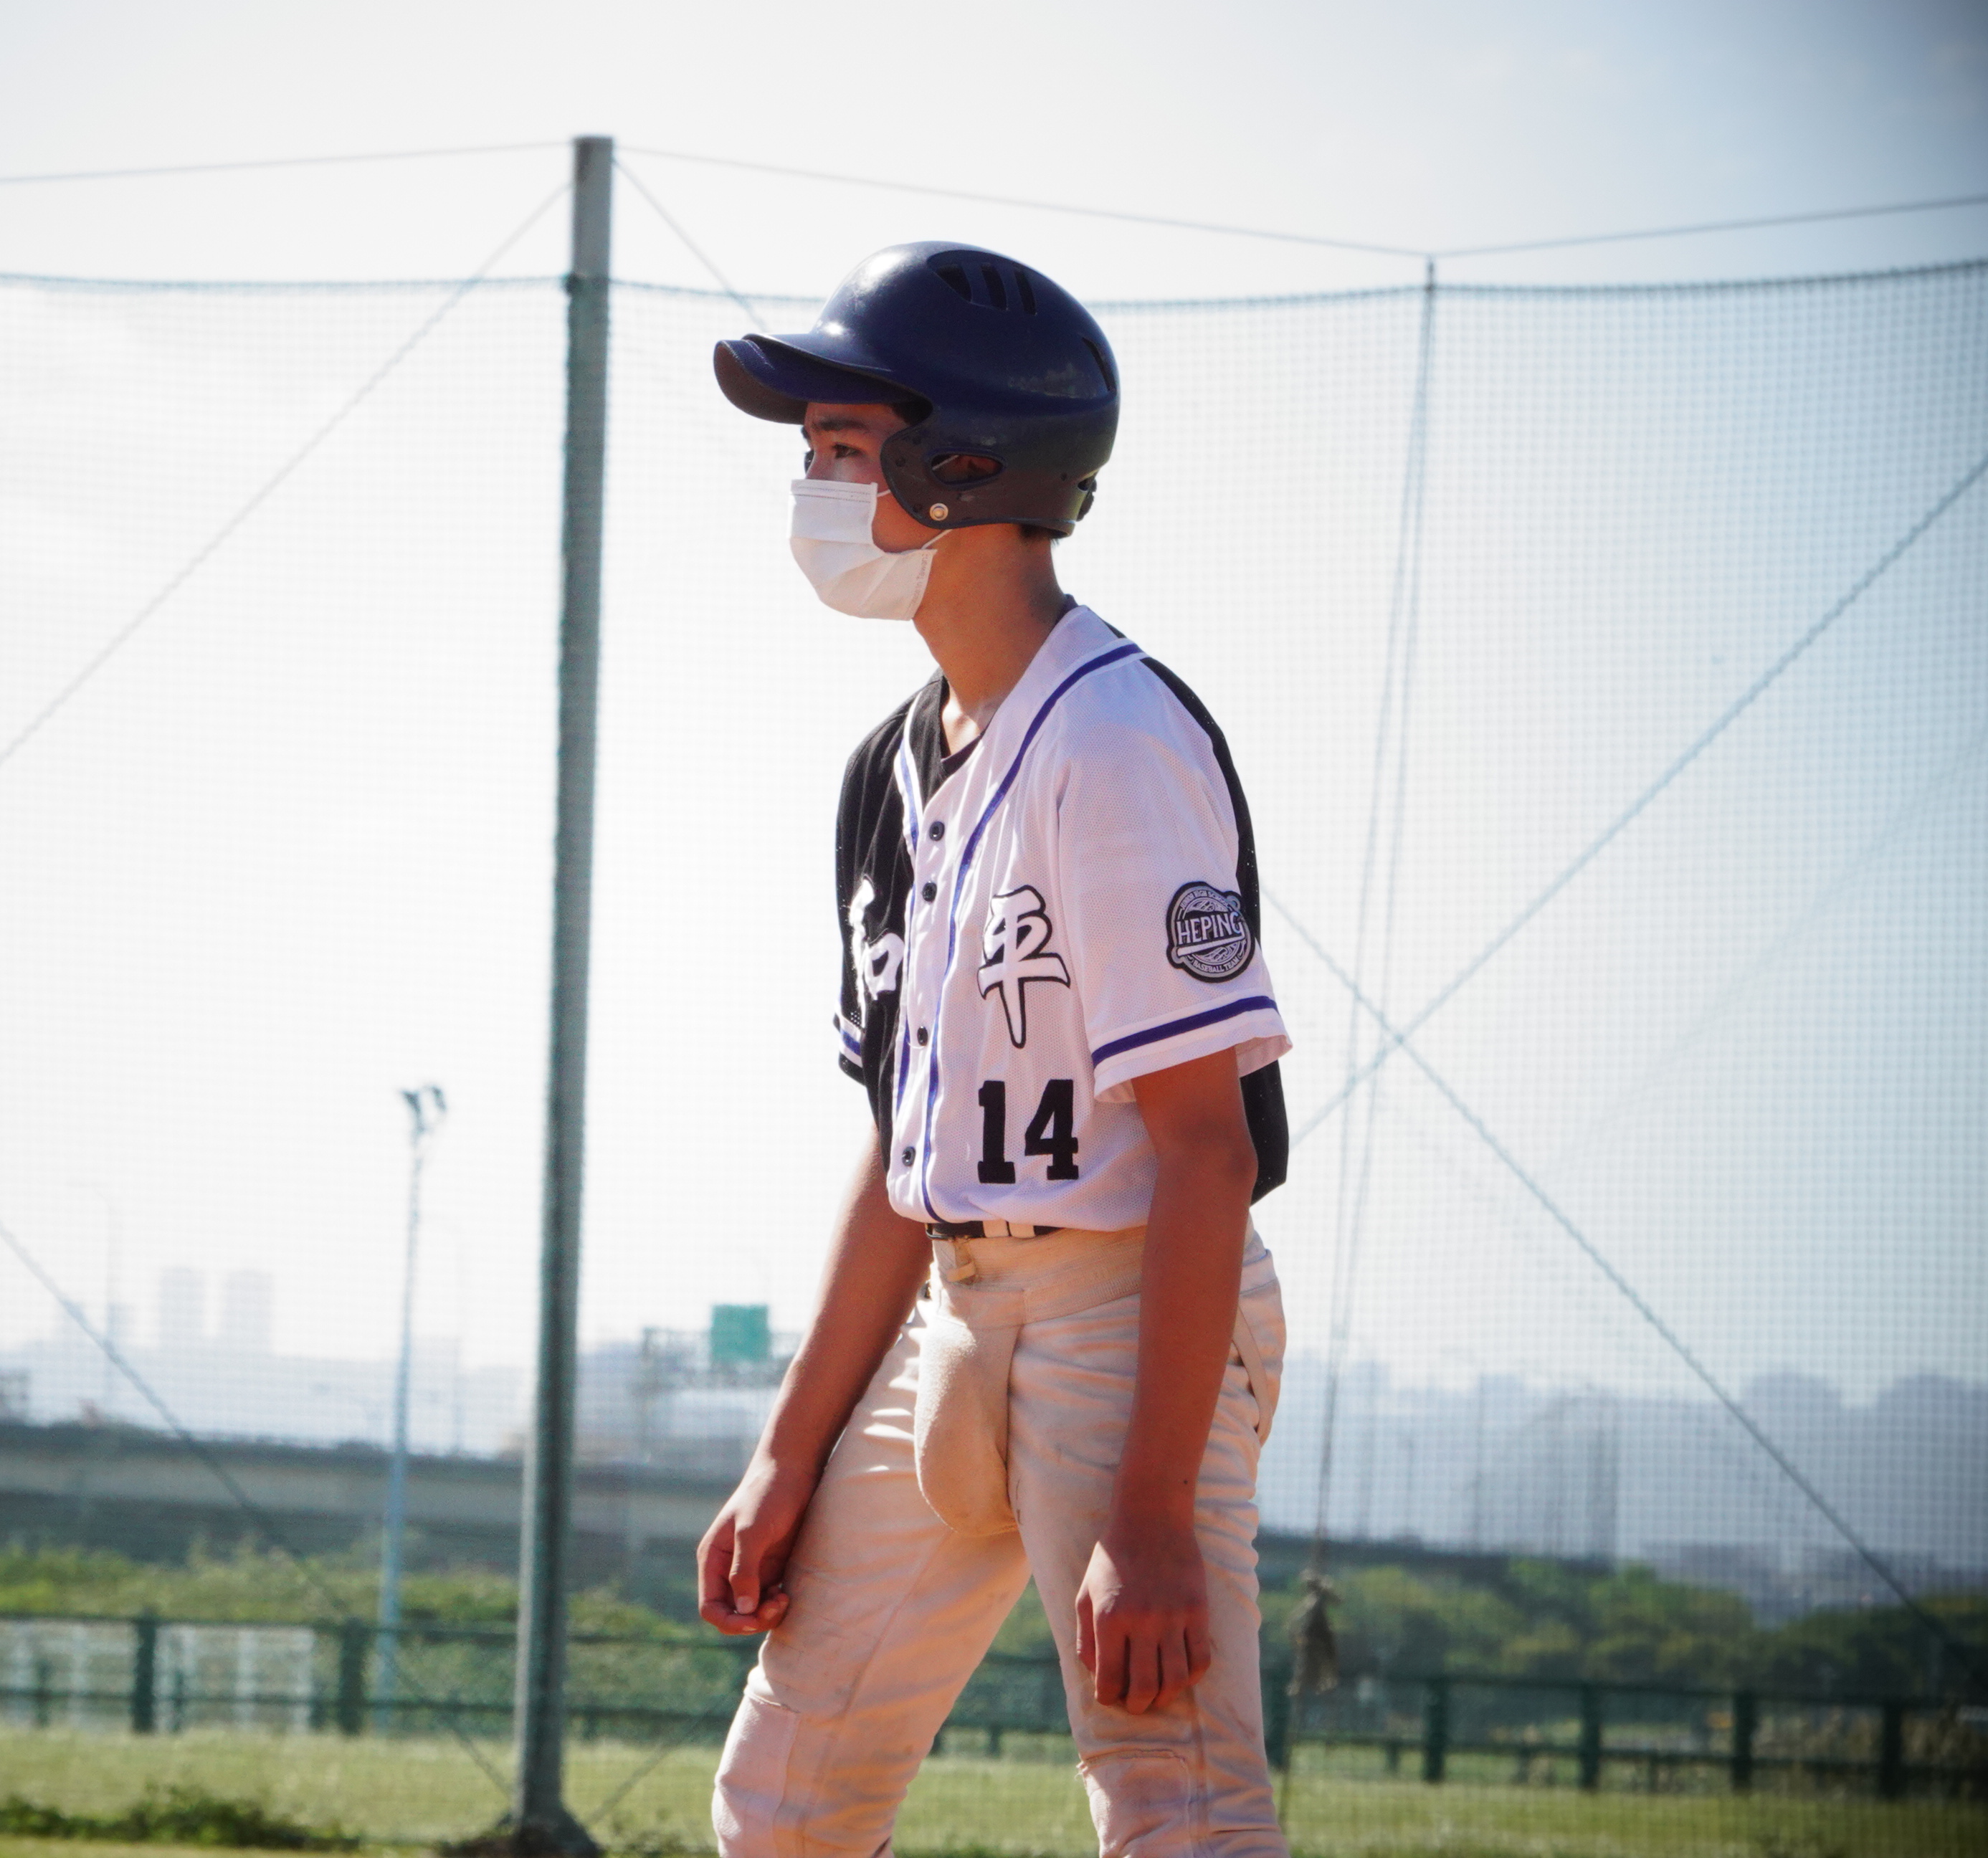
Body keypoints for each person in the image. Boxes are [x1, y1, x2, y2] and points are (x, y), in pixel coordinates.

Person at [698, 242, 1295, 1858]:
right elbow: (904, 1147)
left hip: (1127, 1318)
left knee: (1176, 1809)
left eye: (841, 445)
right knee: (782, 1804)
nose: (812, 485)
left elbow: (1208, 1150)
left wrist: (1152, 1515)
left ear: (960, 465)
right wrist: (787, 1452)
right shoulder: (888, 769)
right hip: (952, 1320)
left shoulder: (1116, 738)